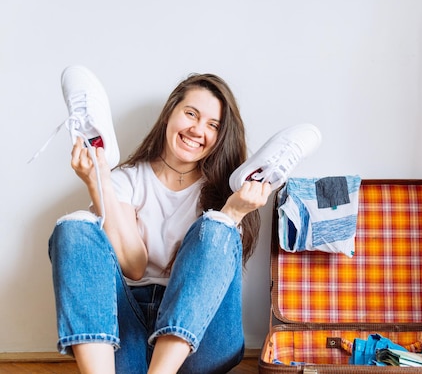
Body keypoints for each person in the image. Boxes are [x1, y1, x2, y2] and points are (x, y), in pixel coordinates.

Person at [47, 66, 321, 373]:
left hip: (203, 341)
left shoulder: (226, 192)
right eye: (191, 114)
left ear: (220, 137)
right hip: (128, 333)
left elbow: (210, 273)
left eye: (213, 125)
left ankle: (262, 171)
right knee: (74, 226)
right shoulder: (125, 180)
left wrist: (235, 211)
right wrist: (99, 181)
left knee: (218, 227)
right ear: (169, 114)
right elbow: (135, 267)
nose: (197, 129)